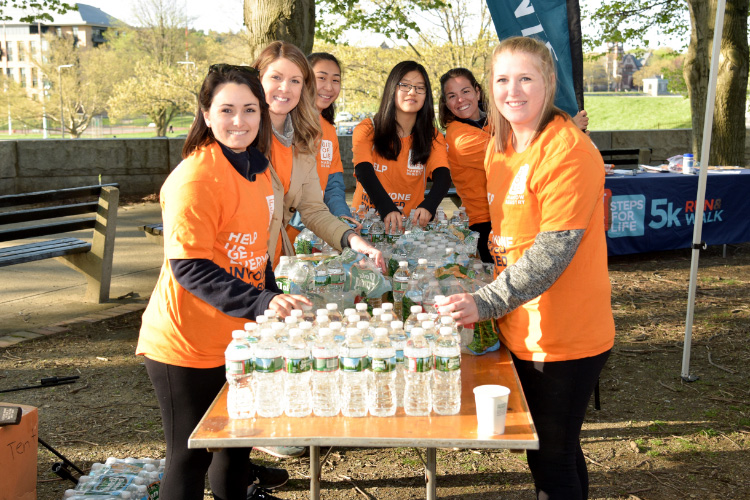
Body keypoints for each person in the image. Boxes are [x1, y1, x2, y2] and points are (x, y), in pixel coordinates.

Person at [437, 37, 615, 499]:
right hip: (523, 323)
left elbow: (552, 251)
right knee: (549, 447)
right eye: (502, 79)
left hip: (566, 334)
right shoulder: (500, 145)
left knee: (552, 456)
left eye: (525, 79)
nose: (512, 90)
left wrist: (485, 301)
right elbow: (510, 232)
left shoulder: (568, 151)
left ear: (547, 83)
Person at [137, 64, 308, 500]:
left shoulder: (259, 170)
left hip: (237, 338)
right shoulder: (195, 178)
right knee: (191, 455)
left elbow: (257, 254)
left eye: (250, 109)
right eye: (227, 109)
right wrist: (260, 303)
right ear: (206, 114)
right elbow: (189, 267)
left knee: (234, 445)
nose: (239, 121)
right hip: (185, 344)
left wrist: (274, 297)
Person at [253, 41, 382, 269]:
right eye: (276, 77)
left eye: (295, 81)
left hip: (273, 262)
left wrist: (349, 235)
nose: (285, 88)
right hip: (233, 269)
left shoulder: (306, 136)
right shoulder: (244, 137)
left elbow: (317, 201)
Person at [351, 60, 451, 232]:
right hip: (366, 227)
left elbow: (443, 176)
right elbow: (363, 171)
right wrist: (386, 207)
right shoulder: (368, 128)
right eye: (405, 85)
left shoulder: (433, 136)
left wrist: (429, 206)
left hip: (407, 231)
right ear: (392, 88)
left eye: (420, 87)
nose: (412, 92)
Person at [438, 67, 492, 263]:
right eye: (452, 96)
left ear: (477, 92)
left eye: (466, 91)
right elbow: (514, 151)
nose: (460, 100)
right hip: (486, 223)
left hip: (513, 213)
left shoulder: (496, 120)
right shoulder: (458, 137)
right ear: (446, 103)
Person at [306, 52, 353, 220]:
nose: (329, 87)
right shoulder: (287, 126)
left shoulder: (329, 131)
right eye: (321, 78)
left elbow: (333, 188)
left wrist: (343, 217)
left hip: (315, 233)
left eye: (335, 80)